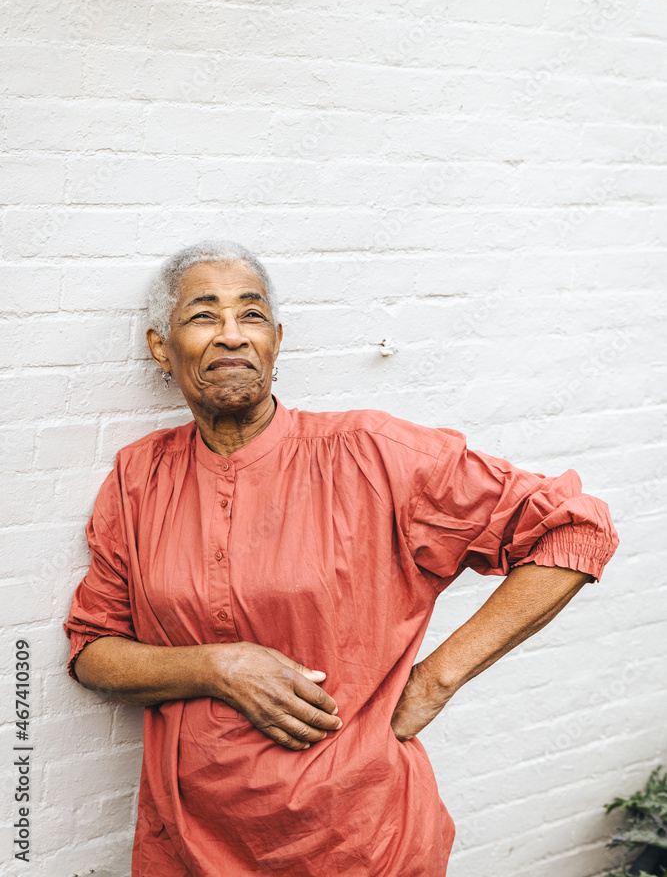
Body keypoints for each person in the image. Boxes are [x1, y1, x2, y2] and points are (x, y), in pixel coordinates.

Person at [64, 240, 619, 877]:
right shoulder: (140, 477)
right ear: (161, 348)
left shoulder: (371, 456)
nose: (232, 335)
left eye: (251, 315)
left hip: (360, 840)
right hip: (189, 842)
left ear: (276, 341)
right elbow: (93, 649)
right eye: (203, 315)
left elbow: (575, 528)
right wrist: (219, 667)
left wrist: (436, 679)